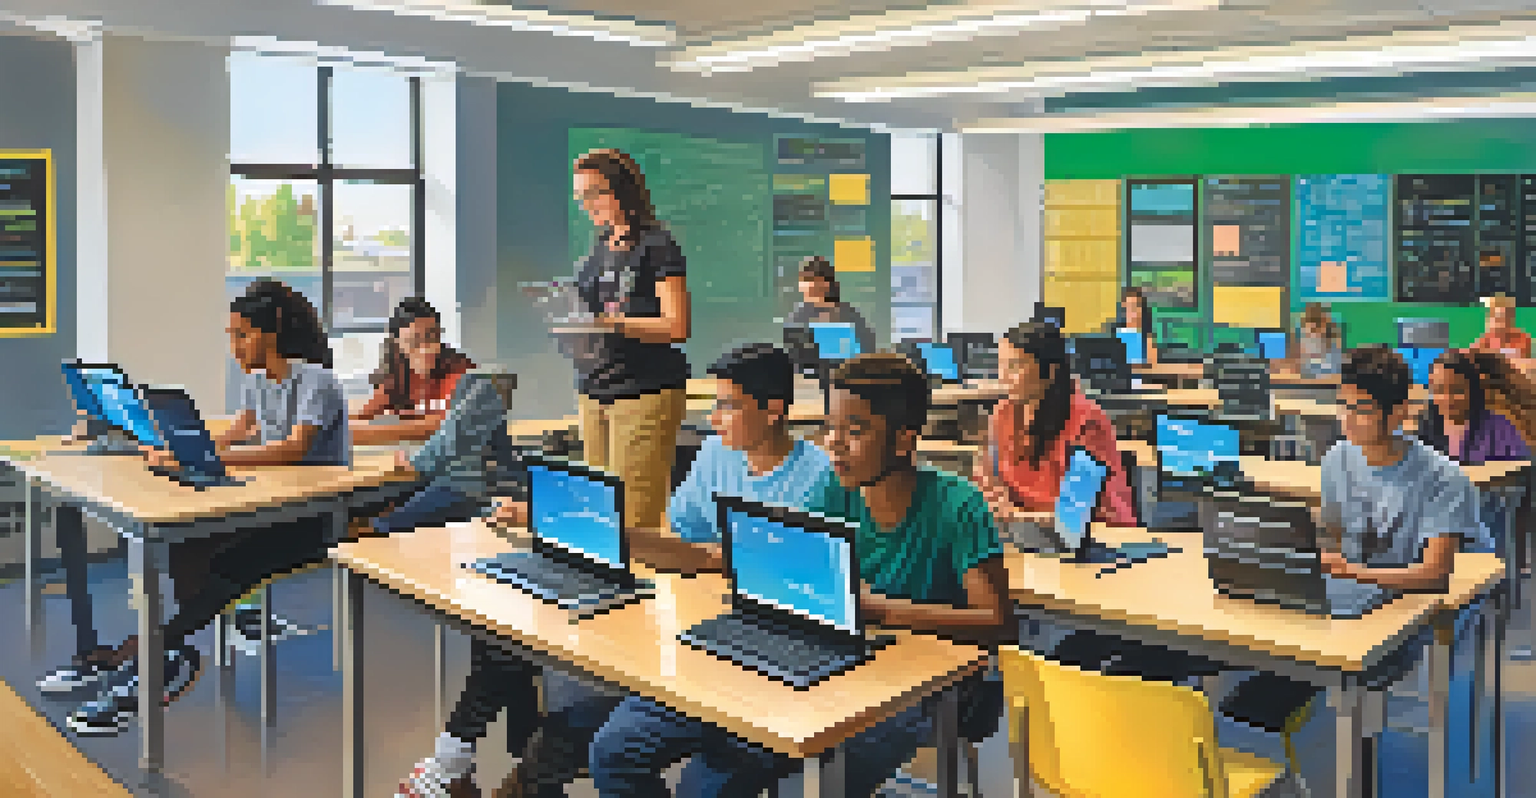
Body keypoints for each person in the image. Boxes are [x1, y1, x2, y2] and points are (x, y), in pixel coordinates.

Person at [395, 344, 830, 798]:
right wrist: (568, 522)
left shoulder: (817, 478)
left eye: (729, 406)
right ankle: (475, 767)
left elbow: (760, 566)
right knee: (509, 641)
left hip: (761, 647)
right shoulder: (719, 454)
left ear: (774, 410)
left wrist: (685, 552)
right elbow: (682, 538)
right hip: (694, 617)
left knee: (575, 708)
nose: (716, 419)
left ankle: (472, 770)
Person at [590, 353, 1010, 798]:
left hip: (908, 687)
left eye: (856, 430)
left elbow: (997, 621)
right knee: (616, 750)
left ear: (904, 440)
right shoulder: (836, 490)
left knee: (706, 786)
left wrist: (880, 610)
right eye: (831, 427)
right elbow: (783, 562)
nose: (835, 444)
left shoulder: (957, 505)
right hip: (822, 655)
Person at [45, 279, 351, 736]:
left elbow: (293, 448)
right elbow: (241, 430)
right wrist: (184, 448)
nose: (234, 345)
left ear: (269, 335)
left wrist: (211, 457)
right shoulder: (256, 380)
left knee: (228, 567)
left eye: (241, 334)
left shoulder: (317, 381)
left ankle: (150, 657)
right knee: (185, 544)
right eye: (230, 334)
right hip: (272, 506)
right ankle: (172, 649)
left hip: (314, 517)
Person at [1220, 346, 1493, 737]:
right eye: (1343, 405)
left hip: (1411, 611)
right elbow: (1332, 538)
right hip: (1354, 595)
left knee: (1275, 687)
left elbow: (1435, 575)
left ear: (1399, 411)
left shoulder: (1444, 480)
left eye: (1361, 408)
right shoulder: (1337, 458)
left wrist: (1351, 570)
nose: (1346, 418)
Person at [567, 148, 690, 532]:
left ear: (623, 191)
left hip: (643, 392)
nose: (587, 205)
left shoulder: (657, 245)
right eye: (581, 197)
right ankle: (601, 588)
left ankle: (639, 591)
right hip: (595, 389)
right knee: (599, 513)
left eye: (595, 193)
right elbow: (591, 314)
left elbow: (676, 326)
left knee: (633, 522)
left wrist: (612, 323)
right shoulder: (600, 247)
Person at [973, 322, 1135, 526]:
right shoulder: (1003, 413)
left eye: (1014, 366)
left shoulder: (1086, 421)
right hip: (1023, 529)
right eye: (1001, 365)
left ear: (1049, 372)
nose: (1003, 376)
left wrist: (1017, 517)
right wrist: (995, 500)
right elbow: (989, 476)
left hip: (1091, 533)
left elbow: (1081, 509)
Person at [352, 297, 476, 446]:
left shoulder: (459, 370)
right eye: (414, 342)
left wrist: (374, 432)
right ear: (398, 343)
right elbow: (363, 416)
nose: (425, 348)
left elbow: (455, 423)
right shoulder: (396, 377)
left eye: (432, 337)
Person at [1419, 349, 1529, 465]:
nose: (1448, 399)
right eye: (1439, 391)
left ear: (1473, 390)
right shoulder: (1426, 425)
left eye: (1458, 391)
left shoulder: (1499, 428)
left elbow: (1519, 470)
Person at [785, 255, 878, 358]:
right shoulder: (798, 316)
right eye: (803, 281)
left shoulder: (848, 314)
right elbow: (792, 352)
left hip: (848, 369)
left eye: (810, 280)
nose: (804, 286)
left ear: (826, 284)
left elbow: (868, 347)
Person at [1103, 286, 1158, 366]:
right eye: (1129, 307)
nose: (1133, 311)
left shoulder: (1147, 334)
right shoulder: (1114, 332)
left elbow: (1153, 365)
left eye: (1136, 306)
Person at [1290, 302, 1343, 379]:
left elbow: (1334, 367)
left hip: (1325, 375)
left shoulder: (1332, 339)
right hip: (1311, 374)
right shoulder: (1304, 335)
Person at [1472, 293, 1533, 359]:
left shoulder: (1522, 339)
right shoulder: (1484, 341)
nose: (1498, 322)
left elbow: (1525, 362)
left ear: (1511, 318)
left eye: (1502, 317)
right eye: (1494, 317)